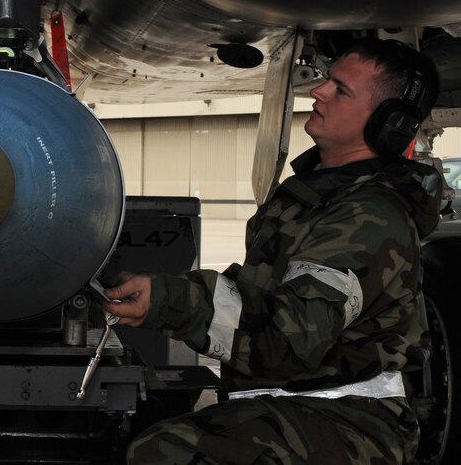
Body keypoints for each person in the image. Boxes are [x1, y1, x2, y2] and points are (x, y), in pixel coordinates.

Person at [104, 38, 443, 464]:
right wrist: (161, 293)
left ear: (388, 124)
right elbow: (261, 297)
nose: (318, 91)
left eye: (341, 89)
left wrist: (171, 303)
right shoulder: (322, 196)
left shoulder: (367, 219)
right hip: (301, 403)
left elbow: (291, 338)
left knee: (167, 452)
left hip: (351, 419)